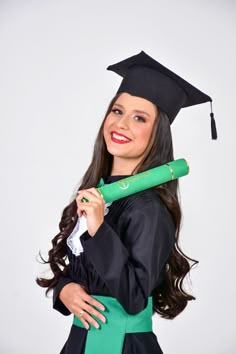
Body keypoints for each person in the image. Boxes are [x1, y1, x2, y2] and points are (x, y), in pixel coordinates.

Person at [37, 51, 217, 354]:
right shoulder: (99, 194)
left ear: (156, 133)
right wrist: (63, 290)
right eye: (117, 111)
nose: (121, 124)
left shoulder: (149, 210)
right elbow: (83, 272)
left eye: (139, 117)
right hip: (80, 343)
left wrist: (98, 230)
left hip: (124, 346)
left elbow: (134, 298)